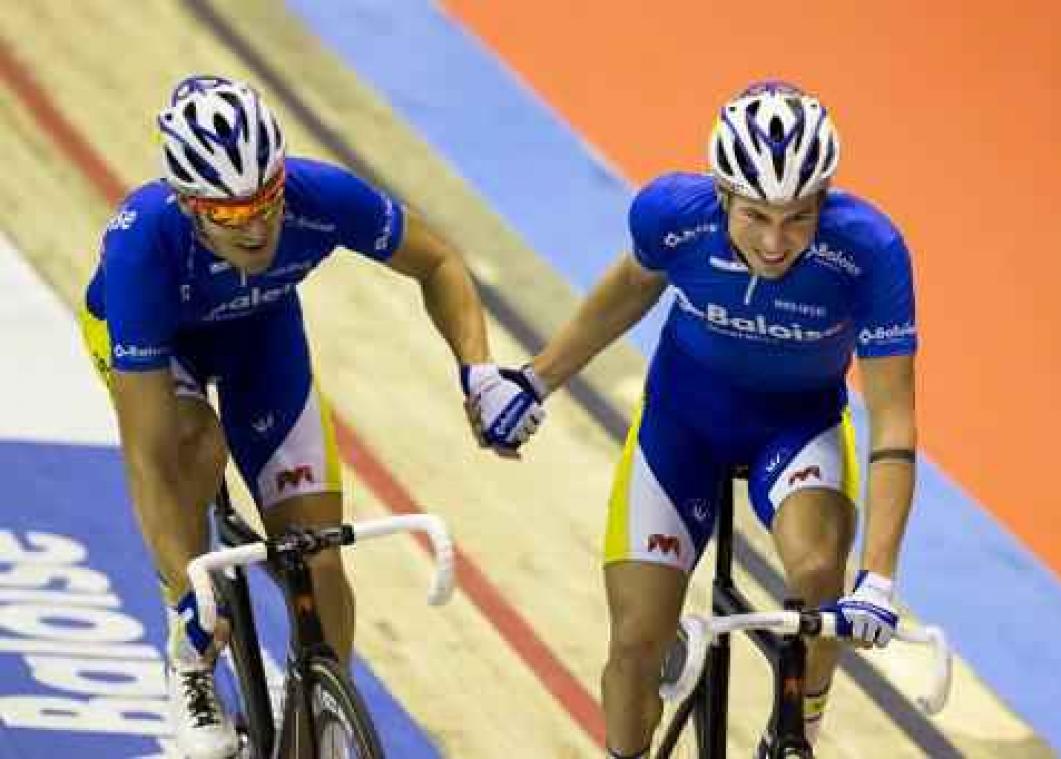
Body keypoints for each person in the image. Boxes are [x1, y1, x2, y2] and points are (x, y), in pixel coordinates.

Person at [79, 74, 543, 758]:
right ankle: (190, 662)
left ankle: (321, 722)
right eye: (233, 216)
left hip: (261, 337)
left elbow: (439, 261)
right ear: (187, 204)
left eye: (266, 201)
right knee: (188, 441)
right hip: (159, 347)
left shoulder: (319, 196)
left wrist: (475, 370)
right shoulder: (141, 248)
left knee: (317, 561)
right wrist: (187, 586)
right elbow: (147, 455)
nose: (260, 225)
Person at [511, 80, 919, 756]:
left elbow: (895, 422)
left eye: (797, 217)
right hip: (683, 425)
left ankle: (796, 731)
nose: (775, 241)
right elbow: (623, 297)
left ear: (825, 200)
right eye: (756, 215)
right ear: (723, 193)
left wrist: (877, 576)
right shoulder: (673, 215)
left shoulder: (870, 253)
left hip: (797, 427)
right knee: (638, 639)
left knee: (819, 575)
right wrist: (536, 379)